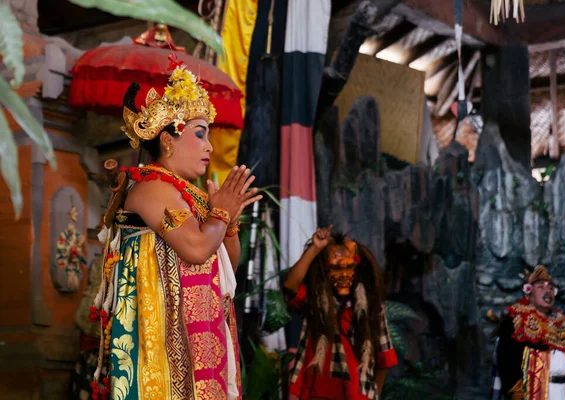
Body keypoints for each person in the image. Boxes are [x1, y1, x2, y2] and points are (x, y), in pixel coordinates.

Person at [89, 56, 261, 400]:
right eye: (201, 134)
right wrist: (220, 216)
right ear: (168, 140)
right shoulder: (152, 187)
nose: (210, 147)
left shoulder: (189, 193)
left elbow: (230, 261)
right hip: (163, 342)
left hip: (197, 338)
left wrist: (227, 220)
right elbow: (195, 249)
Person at [282, 226, 398, 400]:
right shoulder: (315, 302)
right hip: (317, 392)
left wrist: (371, 394)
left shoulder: (372, 308)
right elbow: (290, 286)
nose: (344, 275)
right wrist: (315, 248)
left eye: (349, 267)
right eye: (336, 268)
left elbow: (384, 359)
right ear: (325, 270)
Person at [496, 265, 565, 400]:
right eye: (541, 287)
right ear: (528, 292)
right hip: (536, 393)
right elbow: (507, 358)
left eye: (551, 288)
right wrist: (515, 391)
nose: (548, 291)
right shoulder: (517, 320)